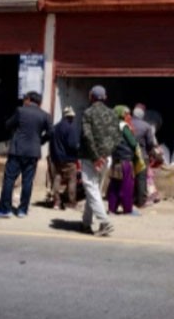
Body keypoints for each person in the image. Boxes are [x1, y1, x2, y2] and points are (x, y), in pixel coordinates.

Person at [0, 91, 51, 218]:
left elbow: (8, 125)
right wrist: (40, 141)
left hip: (17, 151)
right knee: (27, 181)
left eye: (25, 99)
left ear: (29, 100)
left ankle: (5, 209)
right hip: (33, 153)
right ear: (39, 102)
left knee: (9, 179)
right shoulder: (45, 115)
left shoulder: (20, 111)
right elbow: (51, 133)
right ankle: (22, 210)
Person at [78, 85, 120, 237]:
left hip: (91, 158)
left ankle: (104, 222)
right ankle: (86, 223)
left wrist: (96, 157)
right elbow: (117, 138)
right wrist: (104, 155)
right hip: (105, 159)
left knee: (91, 188)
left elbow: (87, 136)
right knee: (94, 190)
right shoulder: (113, 114)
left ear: (91, 97)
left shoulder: (88, 113)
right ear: (105, 97)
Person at [106, 106, 139, 216]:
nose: (128, 116)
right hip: (125, 160)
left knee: (114, 186)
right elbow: (133, 143)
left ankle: (112, 209)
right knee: (127, 186)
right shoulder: (124, 126)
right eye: (126, 114)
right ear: (121, 115)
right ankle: (127, 210)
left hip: (116, 160)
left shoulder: (111, 127)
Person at [49, 106, 80, 210]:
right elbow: (72, 144)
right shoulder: (71, 128)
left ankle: (56, 202)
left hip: (57, 159)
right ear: (70, 117)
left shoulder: (55, 127)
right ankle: (71, 202)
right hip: (69, 159)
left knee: (57, 178)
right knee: (72, 180)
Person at [131, 104, 156, 208]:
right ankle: (141, 201)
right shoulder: (146, 126)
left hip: (129, 154)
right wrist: (152, 154)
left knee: (130, 177)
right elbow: (150, 143)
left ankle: (130, 198)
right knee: (141, 178)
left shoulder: (127, 124)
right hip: (142, 154)